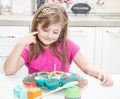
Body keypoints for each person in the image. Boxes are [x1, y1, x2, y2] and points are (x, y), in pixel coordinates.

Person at [4, 3, 113, 86]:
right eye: (45, 30)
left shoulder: (68, 46)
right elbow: (9, 71)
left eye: (55, 32)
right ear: (37, 26)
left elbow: (86, 66)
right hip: (38, 94)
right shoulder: (30, 48)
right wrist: (20, 44)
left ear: (62, 31)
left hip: (62, 93)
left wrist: (100, 73)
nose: (50, 36)